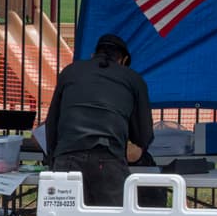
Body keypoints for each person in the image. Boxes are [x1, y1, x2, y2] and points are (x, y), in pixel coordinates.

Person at [44, 32, 154, 207]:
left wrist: (53, 159)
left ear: (93, 55)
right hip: (108, 161)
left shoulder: (70, 72)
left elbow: (52, 123)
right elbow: (144, 134)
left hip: (67, 159)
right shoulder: (133, 79)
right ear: (123, 60)